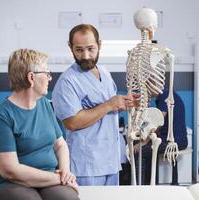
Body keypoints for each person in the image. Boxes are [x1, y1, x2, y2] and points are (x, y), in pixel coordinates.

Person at [0, 49, 79, 200]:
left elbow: (60, 145)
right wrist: (59, 179)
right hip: (9, 183)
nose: (50, 78)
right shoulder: (1, 116)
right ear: (31, 77)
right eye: (47, 73)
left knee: (67, 197)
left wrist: (65, 172)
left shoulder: (44, 104)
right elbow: (10, 171)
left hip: (49, 179)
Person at [52, 24, 138, 186]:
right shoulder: (68, 81)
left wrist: (123, 102)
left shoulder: (104, 73)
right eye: (79, 50)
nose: (85, 55)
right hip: (86, 164)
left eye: (91, 48)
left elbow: (110, 107)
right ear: (70, 47)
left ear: (100, 44)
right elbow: (72, 122)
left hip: (110, 159)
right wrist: (110, 105)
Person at [134, 90, 188, 185]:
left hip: (174, 141)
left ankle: (141, 186)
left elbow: (158, 121)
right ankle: (172, 182)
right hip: (181, 140)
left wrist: (143, 143)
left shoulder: (164, 96)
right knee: (150, 145)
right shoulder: (167, 95)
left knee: (141, 152)